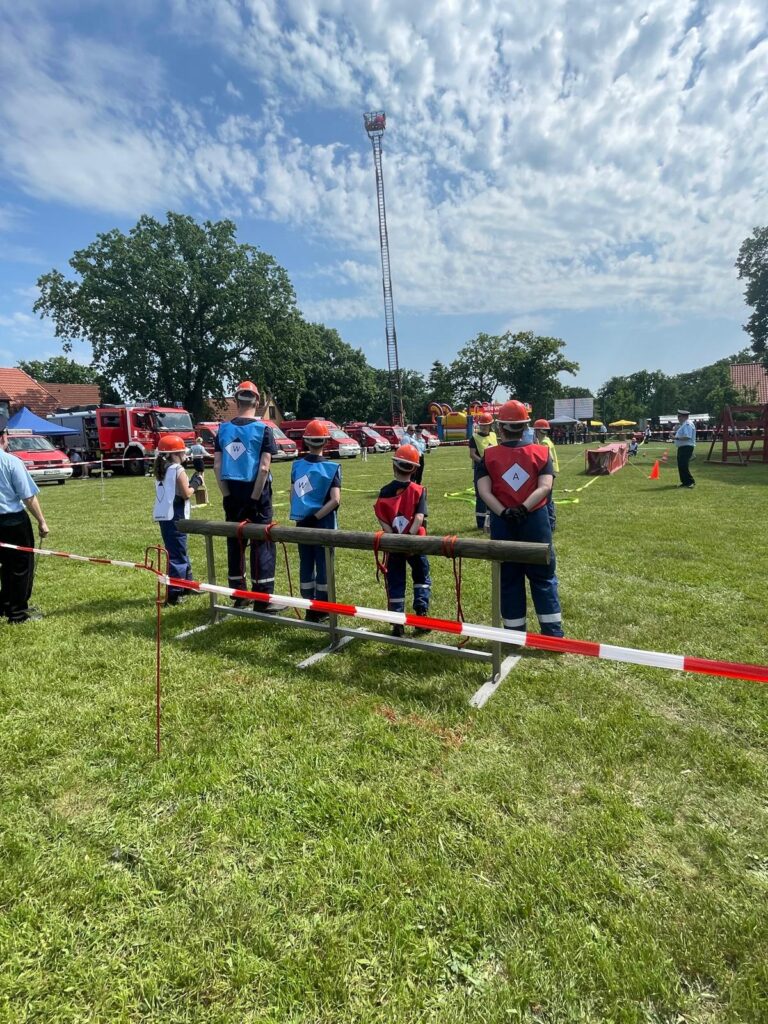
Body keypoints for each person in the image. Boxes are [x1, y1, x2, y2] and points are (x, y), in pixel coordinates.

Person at [476, 399, 563, 637]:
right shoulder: (541, 452)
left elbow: (484, 492)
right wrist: (524, 508)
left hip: (504, 522)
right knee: (543, 577)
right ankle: (553, 634)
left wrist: (504, 512)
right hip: (535, 520)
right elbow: (545, 487)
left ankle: (514, 635)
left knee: (509, 578)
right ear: (526, 426)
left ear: (500, 427)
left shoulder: (489, 456)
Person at [214, 381, 280, 612]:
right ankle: (263, 598)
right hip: (257, 494)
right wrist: (253, 500)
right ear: (258, 401)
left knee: (236, 541)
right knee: (262, 542)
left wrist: (227, 496)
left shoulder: (222, 429)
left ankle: (239, 593)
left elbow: (217, 466)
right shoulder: (264, 429)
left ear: (236, 401)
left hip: (232, 491)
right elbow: (264, 468)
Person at [374, 444, 431, 638]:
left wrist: (393, 536)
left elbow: (381, 517)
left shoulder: (384, 492)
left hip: (393, 544)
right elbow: (419, 517)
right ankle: (421, 616)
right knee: (421, 578)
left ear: (394, 466)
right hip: (416, 543)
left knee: (395, 580)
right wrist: (409, 539)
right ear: (414, 469)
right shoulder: (419, 490)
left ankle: (397, 621)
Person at [289, 419, 341, 623]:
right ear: (326, 442)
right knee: (324, 564)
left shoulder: (296, 466)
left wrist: (304, 516)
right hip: (324, 524)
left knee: (306, 563)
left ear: (306, 441)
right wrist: (317, 516)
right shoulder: (331, 468)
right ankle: (323, 606)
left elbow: (293, 496)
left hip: (301, 523)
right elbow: (335, 499)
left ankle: (308, 604)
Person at [0, 416, 49, 623]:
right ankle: (17, 613)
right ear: (3, 437)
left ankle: (4, 605)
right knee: (19, 567)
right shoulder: (11, 462)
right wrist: (41, 521)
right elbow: (28, 496)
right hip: (12, 522)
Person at [153, 435, 195, 606]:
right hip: (176, 514)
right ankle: (175, 593)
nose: (185, 454)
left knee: (178, 550)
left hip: (164, 516)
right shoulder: (178, 469)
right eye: (182, 451)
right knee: (178, 555)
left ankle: (188, 584)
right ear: (175, 453)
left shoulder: (161, 468)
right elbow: (186, 493)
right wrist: (196, 482)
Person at [469, 412, 497, 529]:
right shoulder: (474, 437)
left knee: (493, 494)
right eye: (483, 425)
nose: (485, 427)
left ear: (490, 425)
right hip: (481, 469)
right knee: (481, 496)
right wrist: (482, 462)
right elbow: (472, 454)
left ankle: (491, 521)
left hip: (494, 469)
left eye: (487, 425)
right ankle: (481, 523)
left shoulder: (493, 435)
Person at [533, 418, 559, 532]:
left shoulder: (544, 443)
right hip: (552, 473)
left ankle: (550, 523)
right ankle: (551, 521)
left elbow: (549, 458)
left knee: (547, 500)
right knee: (549, 499)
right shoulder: (547, 440)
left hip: (548, 473)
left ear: (538, 431)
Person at [674, 409, 696, 488]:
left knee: (684, 465)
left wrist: (676, 438)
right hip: (683, 447)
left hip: (686, 447)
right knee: (681, 465)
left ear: (683, 416)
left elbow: (687, 436)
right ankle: (684, 482)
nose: (678, 418)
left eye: (679, 416)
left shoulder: (687, 424)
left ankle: (690, 481)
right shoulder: (684, 424)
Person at [188, 437, 209, 506]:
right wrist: (210, 455)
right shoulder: (201, 447)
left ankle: (200, 482)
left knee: (197, 473)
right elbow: (204, 453)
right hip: (200, 461)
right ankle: (201, 483)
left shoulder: (192, 447)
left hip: (195, 461)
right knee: (201, 474)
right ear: (201, 441)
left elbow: (188, 453)